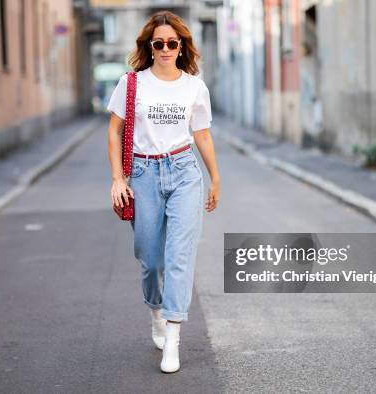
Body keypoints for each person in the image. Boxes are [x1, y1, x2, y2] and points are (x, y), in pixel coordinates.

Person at [106, 10, 220, 373]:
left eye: (173, 43)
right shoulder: (132, 84)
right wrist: (117, 178)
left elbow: (201, 133)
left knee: (180, 257)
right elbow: (114, 130)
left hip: (184, 171)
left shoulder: (193, 87)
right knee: (151, 258)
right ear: (150, 47)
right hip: (142, 173)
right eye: (160, 43)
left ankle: (173, 338)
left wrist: (215, 178)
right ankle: (156, 312)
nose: (167, 48)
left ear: (182, 46)